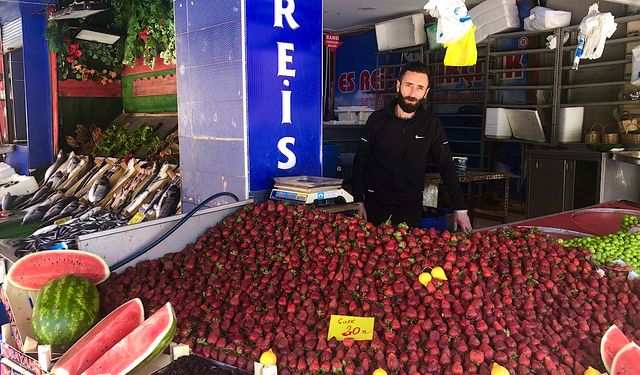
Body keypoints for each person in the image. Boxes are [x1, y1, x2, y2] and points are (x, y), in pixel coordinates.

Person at [351, 61, 472, 232]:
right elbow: (360, 161)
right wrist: (358, 200)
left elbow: (446, 164)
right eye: (408, 85)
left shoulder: (431, 124)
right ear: (398, 85)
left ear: (426, 93)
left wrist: (460, 208)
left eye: (420, 88)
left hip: (410, 208)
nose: (413, 93)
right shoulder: (377, 120)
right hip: (374, 206)